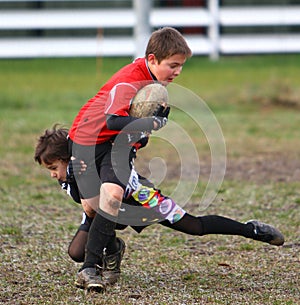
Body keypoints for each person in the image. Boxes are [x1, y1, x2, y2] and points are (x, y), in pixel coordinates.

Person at [35, 27, 285, 293]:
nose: (177, 72)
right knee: (88, 219)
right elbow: (112, 120)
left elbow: (137, 137)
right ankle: (99, 259)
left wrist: (146, 128)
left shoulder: (151, 88)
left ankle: (252, 230)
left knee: (191, 225)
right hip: (89, 147)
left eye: (180, 66)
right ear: (152, 60)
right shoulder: (129, 82)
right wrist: (148, 122)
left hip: (115, 155)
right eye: (173, 65)